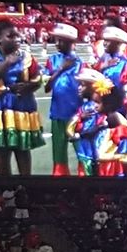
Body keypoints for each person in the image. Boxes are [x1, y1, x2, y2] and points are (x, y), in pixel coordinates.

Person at [0, 19, 45, 175]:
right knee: (2, 148)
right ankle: (5, 187)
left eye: (17, 35)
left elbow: (38, 78)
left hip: (22, 106)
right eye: (11, 36)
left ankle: (25, 186)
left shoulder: (26, 56)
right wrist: (7, 63)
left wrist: (29, 86)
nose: (17, 39)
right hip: (0, 108)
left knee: (23, 148)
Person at [43, 23, 83, 176]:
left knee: (81, 149)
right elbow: (47, 88)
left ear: (72, 43)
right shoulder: (52, 60)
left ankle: (84, 176)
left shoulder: (80, 63)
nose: (58, 44)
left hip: (77, 113)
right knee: (59, 150)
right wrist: (60, 69)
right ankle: (60, 176)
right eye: (56, 40)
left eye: (62, 41)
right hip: (58, 112)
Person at [67, 69, 109, 176]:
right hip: (87, 150)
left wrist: (78, 135)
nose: (79, 88)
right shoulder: (85, 107)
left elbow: (92, 129)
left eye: (83, 85)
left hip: (94, 150)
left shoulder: (94, 107)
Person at [92, 83, 127, 177]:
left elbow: (125, 138)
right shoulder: (105, 117)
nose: (94, 106)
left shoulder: (113, 118)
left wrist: (120, 157)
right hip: (106, 162)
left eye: (98, 103)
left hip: (113, 165)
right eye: (94, 102)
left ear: (108, 103)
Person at [95, 25, 127, 91]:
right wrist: (103, 67)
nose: (104, 44)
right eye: (105, 40)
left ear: (118, 43)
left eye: (108, 41)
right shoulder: (102, 60)